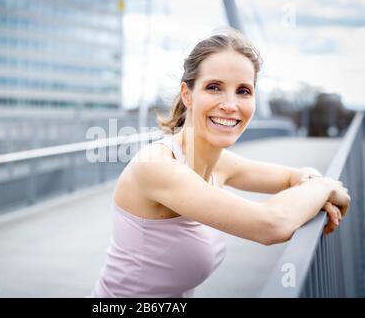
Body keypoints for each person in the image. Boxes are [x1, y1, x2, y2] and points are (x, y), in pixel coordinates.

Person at [89, 28, 350, 298]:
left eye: (243, 91)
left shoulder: (220, 163)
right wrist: (326, 188)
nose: (230, 104)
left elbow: (292, 177)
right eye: (214, 87)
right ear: (187, 95)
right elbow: (271, 224)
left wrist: (312, 179)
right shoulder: (156, 166)